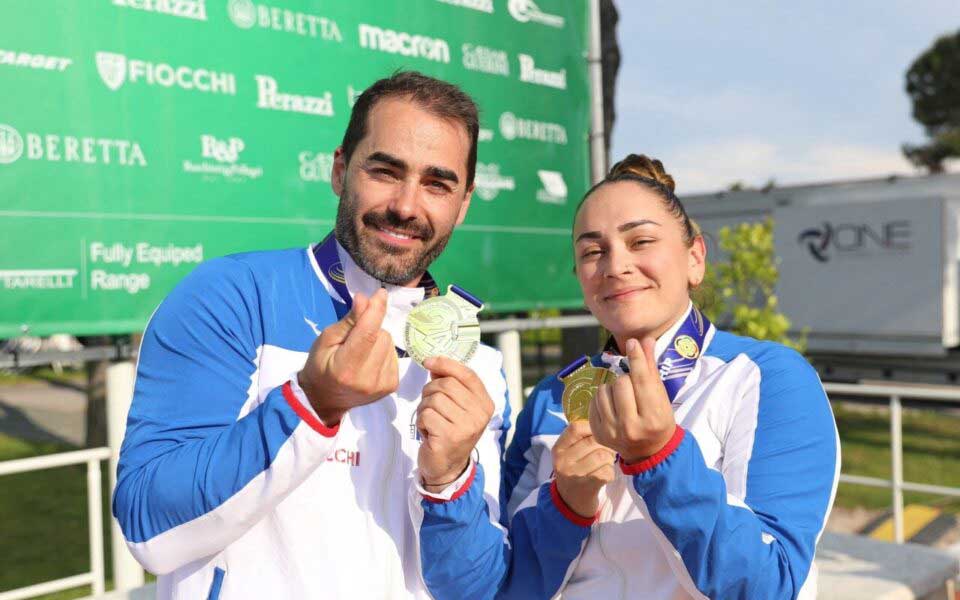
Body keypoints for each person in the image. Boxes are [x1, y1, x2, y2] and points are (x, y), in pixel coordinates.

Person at [112, 71, 511, 599]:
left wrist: (450, 482)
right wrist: (311, 404)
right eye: (386, 171)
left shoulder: (478, 366)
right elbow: (149, 527)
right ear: (340, 169)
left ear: (462, 204)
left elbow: (474, 589)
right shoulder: (232, 295)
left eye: (437, 184)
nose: (407, 206)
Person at [430, 154, 839, 599]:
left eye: (640, 241)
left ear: (695, 258)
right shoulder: (552, 398)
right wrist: (565, 506)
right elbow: (508, 588)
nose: (615, 266)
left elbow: (768, 586)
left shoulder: (767, 378)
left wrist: (658, 456)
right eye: (592, 251)